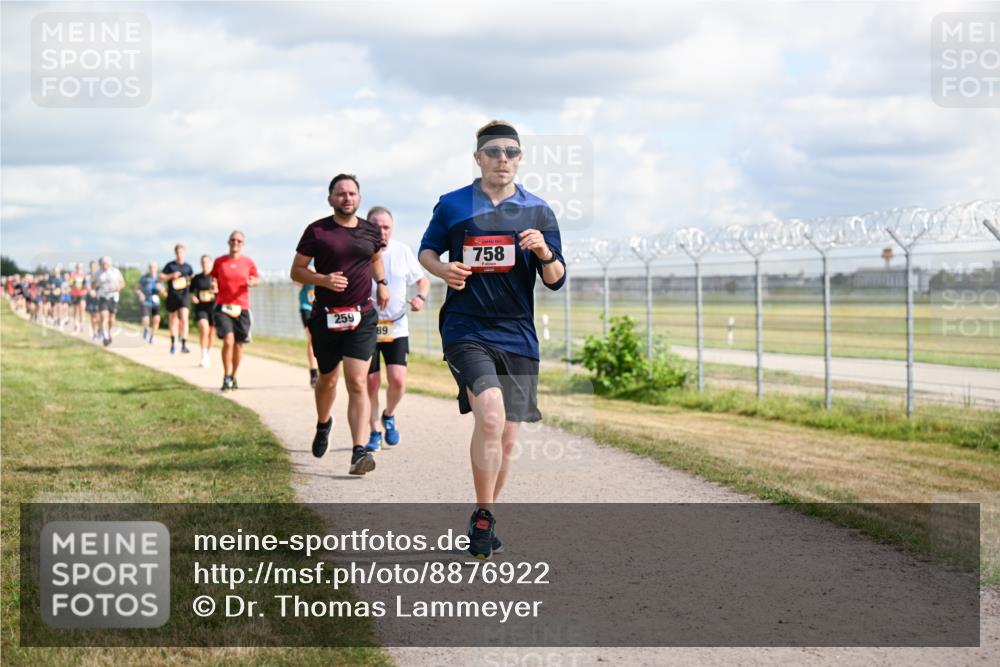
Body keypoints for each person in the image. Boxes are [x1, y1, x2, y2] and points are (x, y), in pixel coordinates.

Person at [418, 120, 566, 559]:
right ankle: (484, 515)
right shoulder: (452, 204)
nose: (503, 158)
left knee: (507, 438)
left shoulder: (538, 210)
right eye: (494, 151)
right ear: (478, 157)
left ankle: (487, 513)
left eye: (511, 152)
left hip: (518, 335)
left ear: (520, 160)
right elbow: (428, 250)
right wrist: (442, 269)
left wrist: (544, 252)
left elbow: (556, 279)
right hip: (467, 328)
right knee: (490, 418)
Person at [290, 173, 389, 476]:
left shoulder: (371, 231)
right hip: (327, 316)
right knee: (327, 380)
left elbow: (374, 259)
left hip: (362, 316)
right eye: (340, 194)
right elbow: (297, 271)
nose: (347, 198)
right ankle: (324, 423)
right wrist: (323, 280)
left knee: (357, 381)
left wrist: (382, 282)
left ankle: (359, 452)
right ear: (330, 198)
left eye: (352, 193)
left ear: (359, 198)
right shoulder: (317, 231)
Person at [364, 206, 430, 452]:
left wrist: (420, 297)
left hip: (396, 325)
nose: (381, 232)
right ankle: (373, 431)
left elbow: (422, 281)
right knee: (370, 382)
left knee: (398, 380)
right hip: (367, 327)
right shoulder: (360, 251)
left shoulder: (402, 251)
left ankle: (388, 415)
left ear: (392, 229)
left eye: (386, 227)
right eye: (376, 226)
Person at [211, 231, 260, 391]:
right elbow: (213, 277)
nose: (236, 242)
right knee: (228, 340)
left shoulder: (248, 262)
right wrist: (214, 285)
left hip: (242, 308)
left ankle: (233, 375)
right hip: (223, 306)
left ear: (243, 244)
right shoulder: (220, 261)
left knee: (239, 345)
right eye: (233, 240)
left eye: (239, 240)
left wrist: (253, 281)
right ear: (228, 242)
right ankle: (226, 376)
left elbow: (256, 278)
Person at [161, 244, 194, 354]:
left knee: (185, 318)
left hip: (184, 296)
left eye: (181, 252)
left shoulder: (188, 267)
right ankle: (173, 343)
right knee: (173, 320)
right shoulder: (170, 266)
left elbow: (192, 279)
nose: (180, 254)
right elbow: (161, 277)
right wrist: (171, 276)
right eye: (178, 252)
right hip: (172, 296)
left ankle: (184, 344)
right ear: (175, 253)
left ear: (184, 253)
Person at [190, 254, 216, 367]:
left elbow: (222, 292)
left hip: (213, 307)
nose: (205, 264)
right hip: (201, 307)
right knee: (204, 329)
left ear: (211, 263)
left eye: (207, 262)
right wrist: (193, 297)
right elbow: (190, 291)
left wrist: (216, 290)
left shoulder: (215, 277)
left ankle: (207, 353)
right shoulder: (196, 278)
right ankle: (203, 354)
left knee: (211, 333)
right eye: (203, 262)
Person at [94, 257, 125, 346]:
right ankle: (106, 337)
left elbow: (123, 283)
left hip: (113, 297)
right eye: (103, 264)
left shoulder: (116, 272)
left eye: (106, 264)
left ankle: (109, 332)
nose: (104, 266)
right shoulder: (98, 273)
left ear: (110, 264)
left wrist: (117, 288)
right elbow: (93, 284)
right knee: (105, 317)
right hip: (103, 297)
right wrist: (94, 288)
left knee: (112, 320)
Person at [298, 281, 321, 387]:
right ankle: (313, 373)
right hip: (306, 306)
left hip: (322, 305)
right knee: (312, 338)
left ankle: (324, 370)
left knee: (324, 339)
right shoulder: (304, 263)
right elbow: (297, 282)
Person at [135, 261, 163, 344]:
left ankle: (152, 337)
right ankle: (146, 329)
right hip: (146, 301)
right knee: (146, 319)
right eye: (151, 267)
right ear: (149, 268)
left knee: (156, 320)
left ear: (157, 268)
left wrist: (161, 289)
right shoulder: (144, 278)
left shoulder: (160, 278)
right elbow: (136, 288)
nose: (152, 269)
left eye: (154, 267)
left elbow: (163, 292)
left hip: (156, 302)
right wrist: (140, 294)